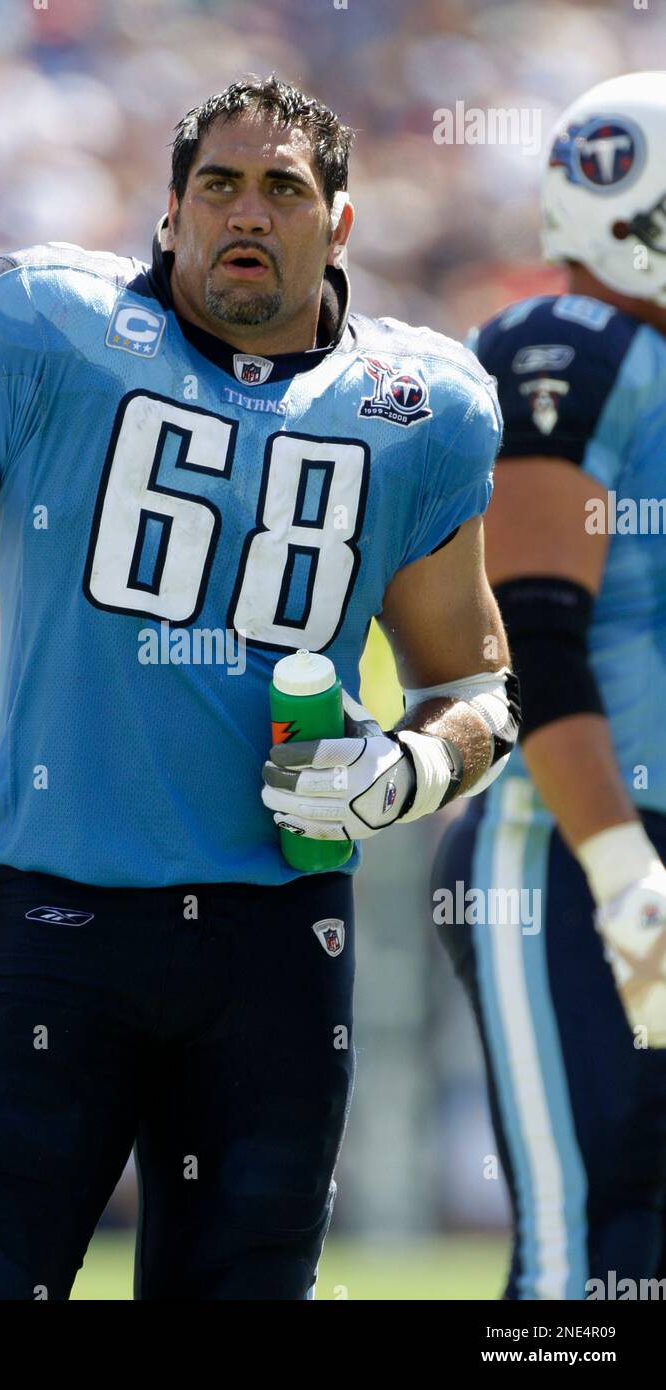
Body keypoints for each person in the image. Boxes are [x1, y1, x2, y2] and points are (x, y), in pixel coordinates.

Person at [0, 75, 516, 1300]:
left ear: (341, 224)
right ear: (169, 212)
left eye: (281, 188)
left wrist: (406, 771)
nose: (245, 213)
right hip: (57, 928)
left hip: (276, 951)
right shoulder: (57, 333)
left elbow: (477, 685)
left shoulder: (419, 408)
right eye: (216, 185)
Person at [433, 71, 666, 1300]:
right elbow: (532, 633)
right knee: (591, 1260)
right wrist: (625, 872)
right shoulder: (565, 344)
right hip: (569, 852)